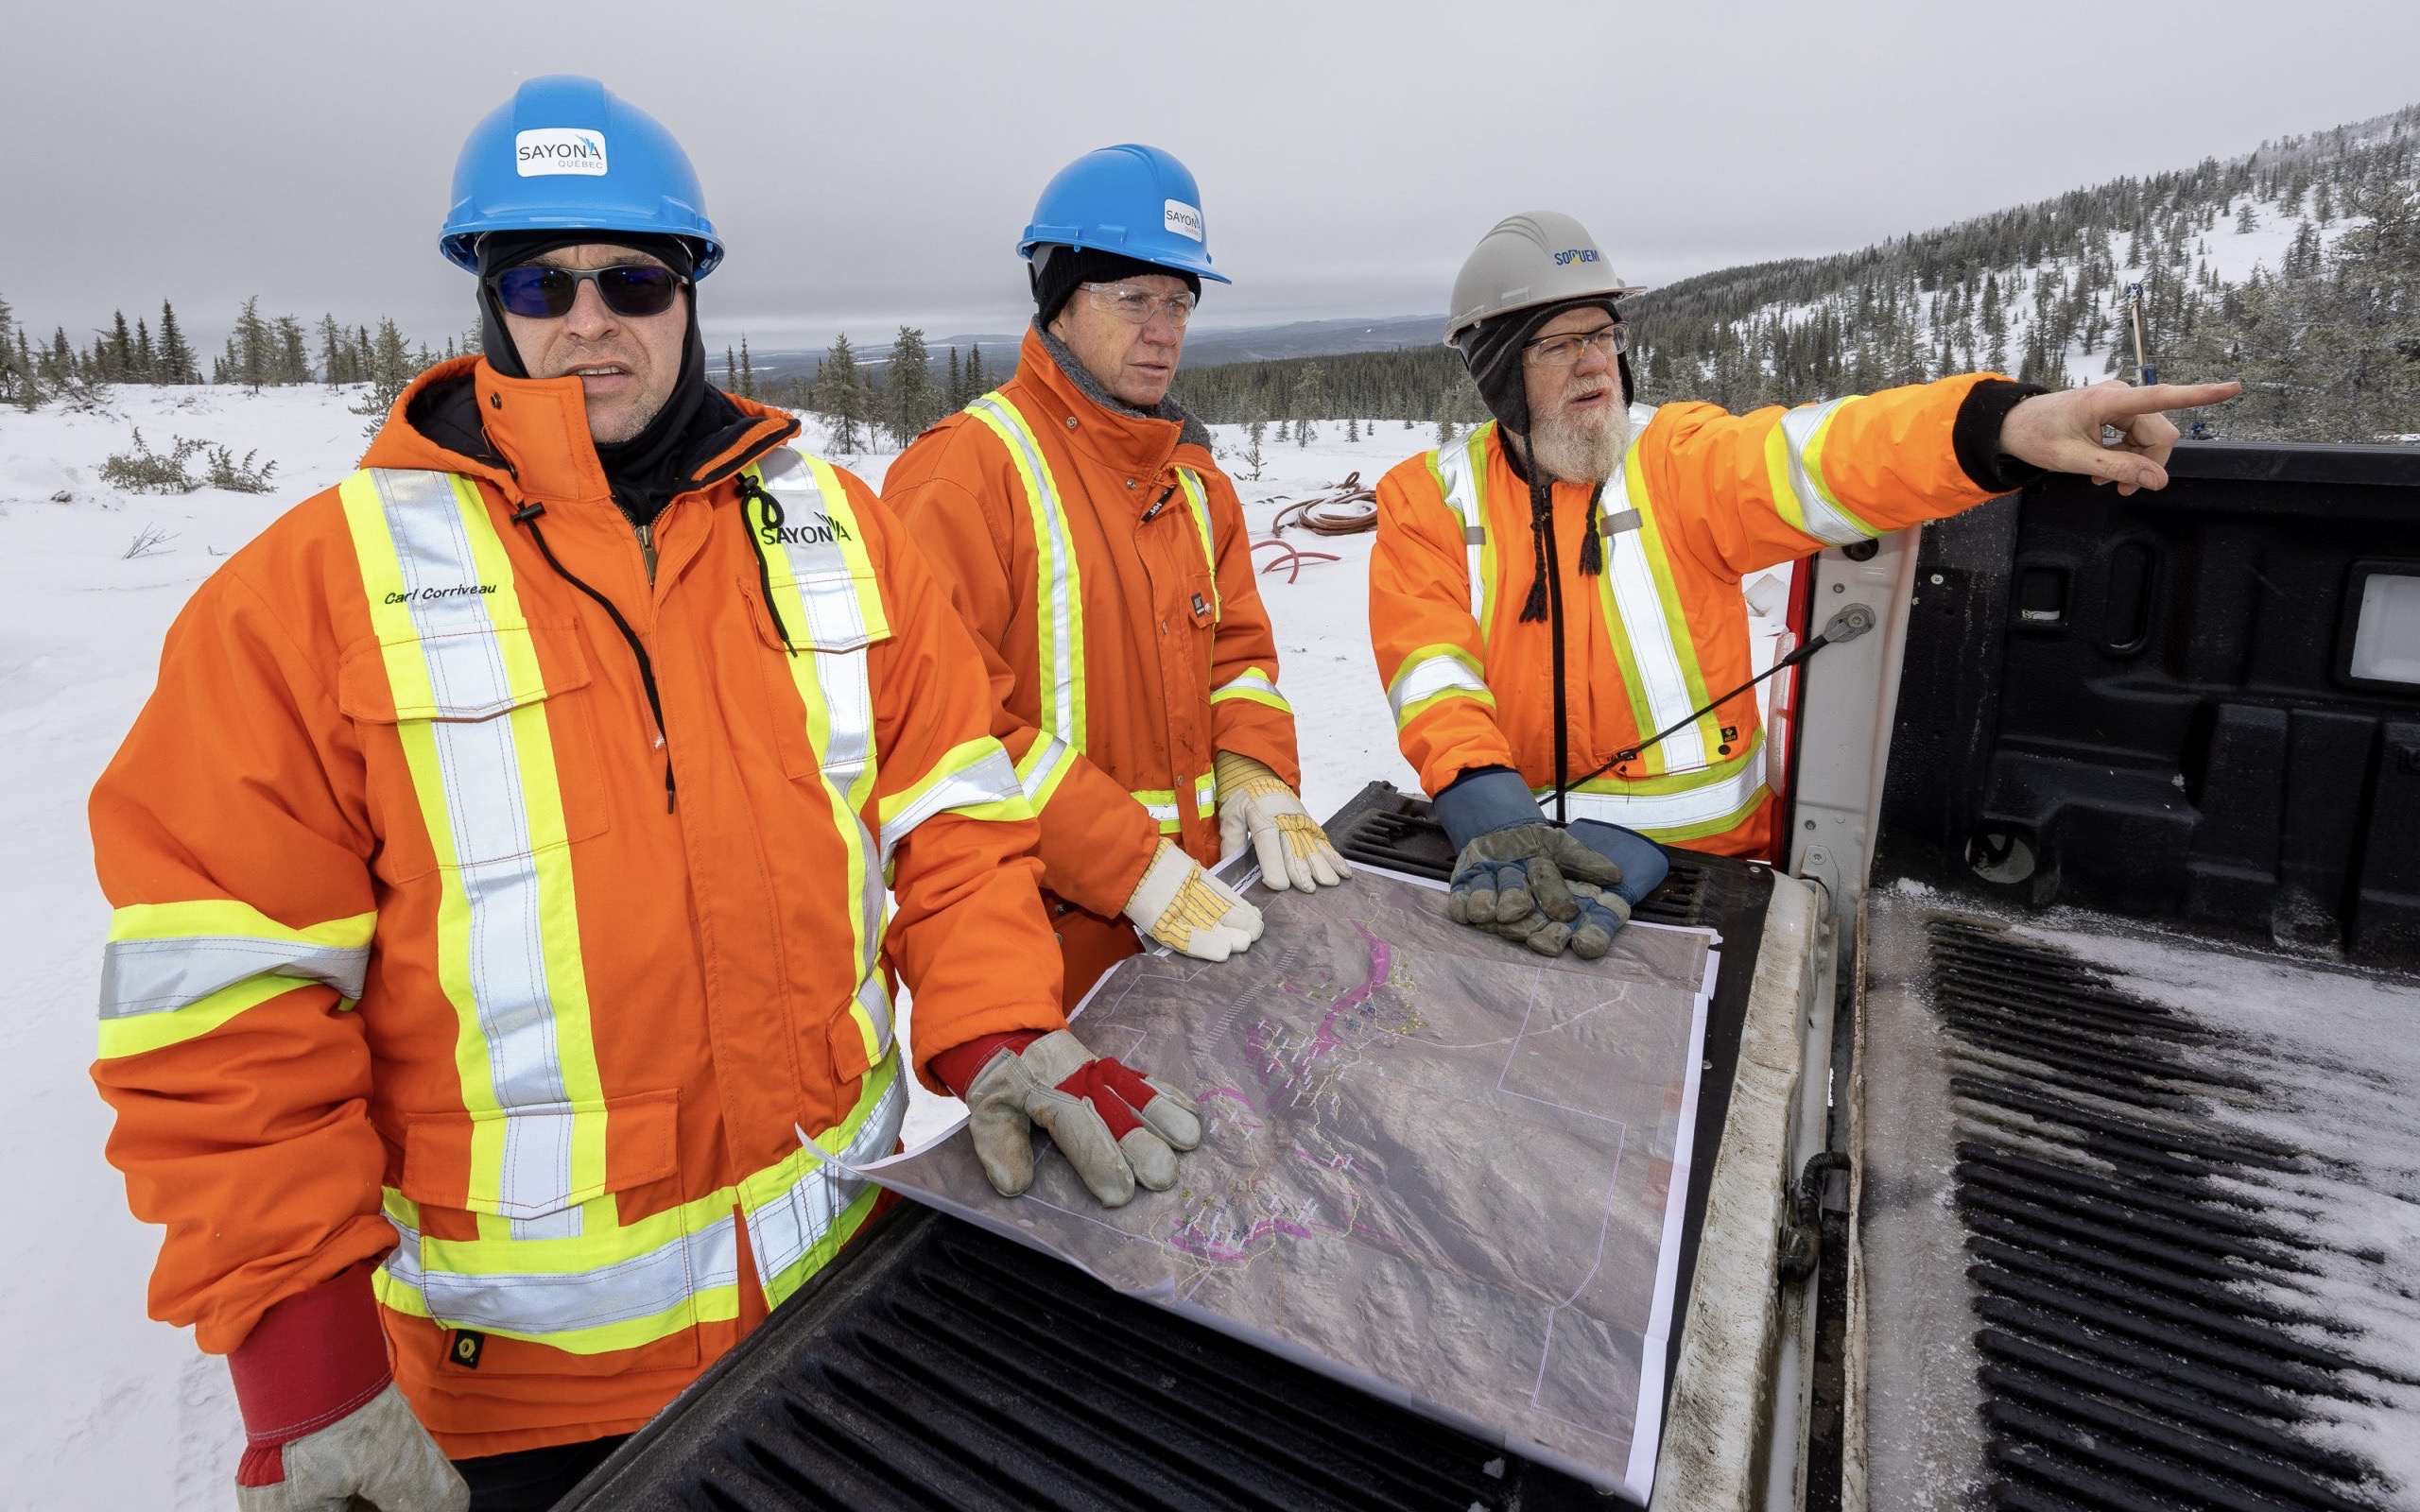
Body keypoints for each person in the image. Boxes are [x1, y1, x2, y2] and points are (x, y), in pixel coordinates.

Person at [88, 77, 1198, 1512]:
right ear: (488, 296)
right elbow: (221, 1005)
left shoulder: (837, 536)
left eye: (633, 276)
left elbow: (952, 816)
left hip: (833, 1300)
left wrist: (995, 1022)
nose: (588, 318)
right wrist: (307, 1374)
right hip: (514, 1403)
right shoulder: (310, 592)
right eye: (539, 278)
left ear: (692, 290)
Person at [1369, 211, 2239, 958]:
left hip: (1706, 874)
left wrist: (1999, 423)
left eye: (1603, 335)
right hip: (1521, 857)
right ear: (1495, 374)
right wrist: (1486, 806)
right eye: (1558, 346)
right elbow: (1429, 665)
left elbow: (1828, 454)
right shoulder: (1431, 499)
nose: (1594, 364)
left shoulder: (1678, 460)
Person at [885, 144, 1350, 1007]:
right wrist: (1128, 868)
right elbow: (943, 733)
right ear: (1060, 303)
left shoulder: (1195, 481)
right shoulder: (965, 477)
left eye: (1179, 301)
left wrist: (1252, 766)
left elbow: (1239, 656)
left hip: (1209, 915)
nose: (1163, 328)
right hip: (1044, 949)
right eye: (1133, 298)